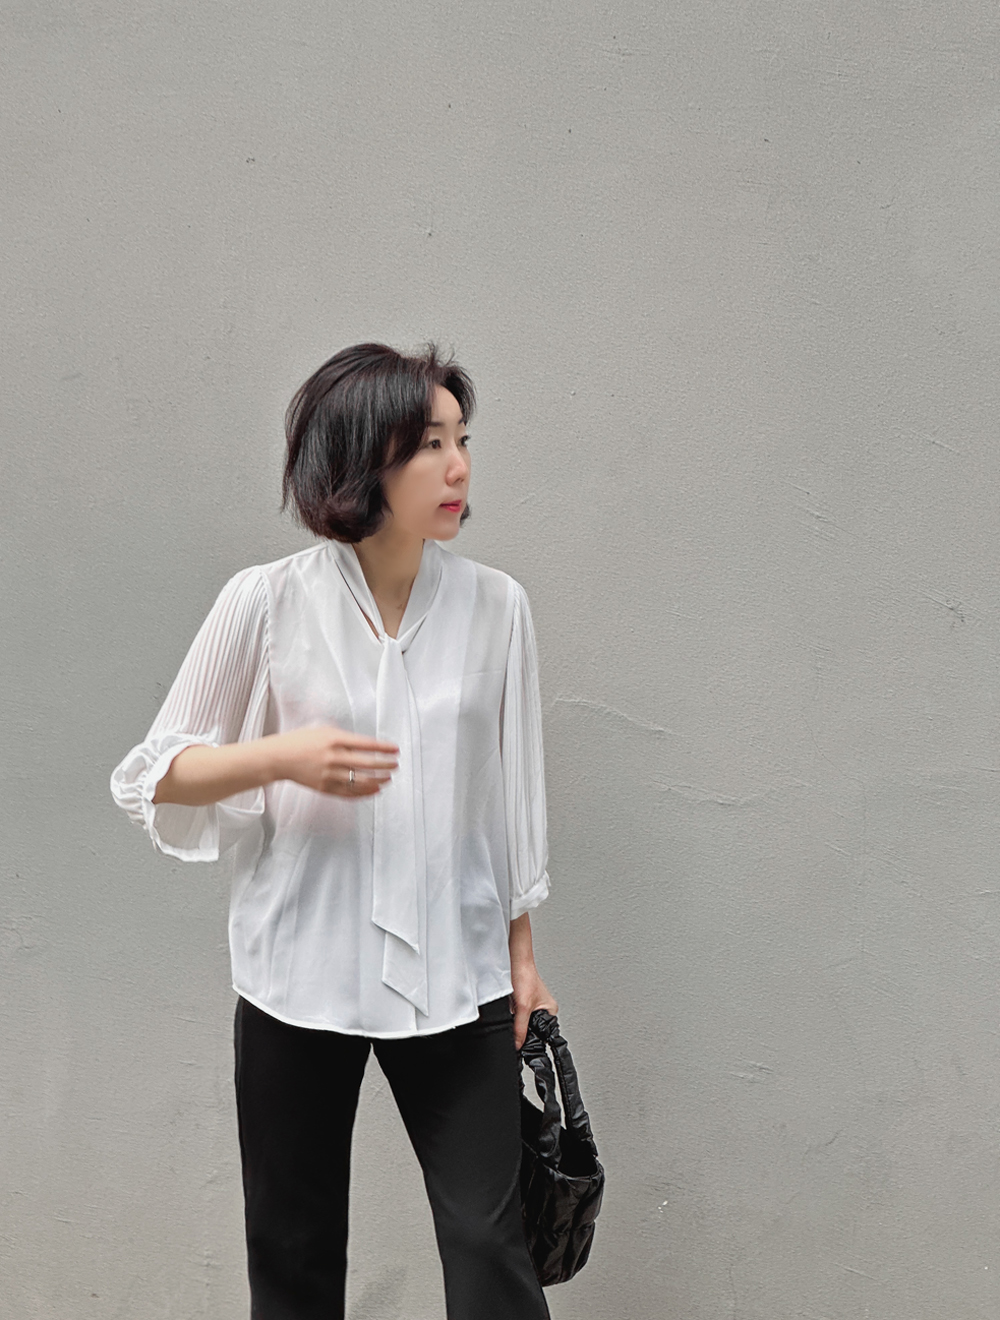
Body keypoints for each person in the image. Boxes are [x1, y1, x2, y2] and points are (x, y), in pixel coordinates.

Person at [109, 342, 558, 1320]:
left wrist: (522, 957)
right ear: (361, 461)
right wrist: (282, 756)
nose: (458, 467)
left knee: (491, 1248)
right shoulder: (267, 601)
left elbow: (508, 804)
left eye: (462, 439)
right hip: (297, 973)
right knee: (294, 1253)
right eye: (428, 445)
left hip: (459, 971)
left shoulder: (497, 608)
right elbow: (154, 776)